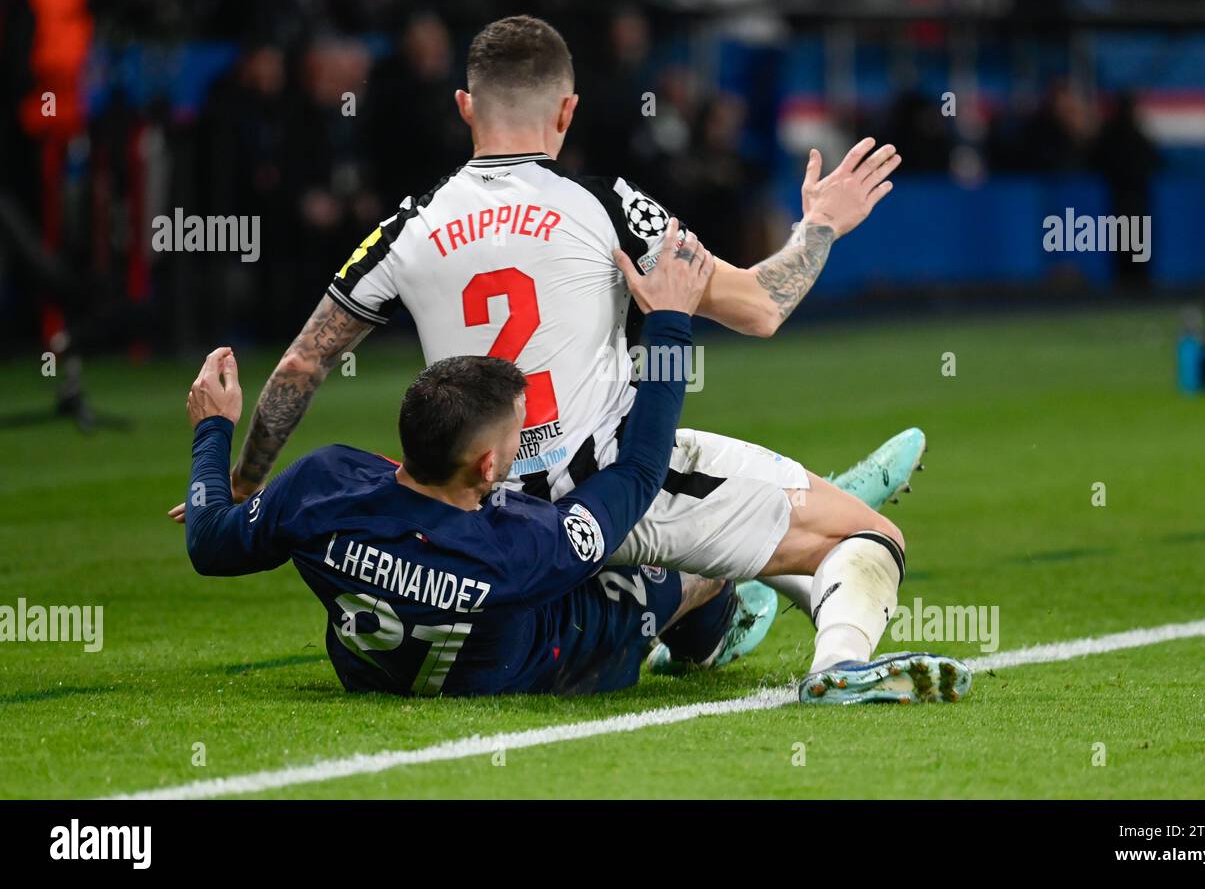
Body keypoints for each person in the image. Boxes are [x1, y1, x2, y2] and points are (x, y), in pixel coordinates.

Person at [174, 15, 967, 705]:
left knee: (688, 576)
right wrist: (820, 226)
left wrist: (245, 485)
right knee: (863, 538)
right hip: (620, 486)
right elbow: (762, 306)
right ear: (567, 111)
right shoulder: (605, 204)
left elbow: (301, 368)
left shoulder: (405, 229)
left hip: (480, 515)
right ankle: (834, 656)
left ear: (464, 108)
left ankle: (738, 581)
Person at [183, 228, 772, 696]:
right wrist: (670, 322)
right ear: (489, 467)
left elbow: (210, 543)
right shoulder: (526, 542)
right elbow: (641, 470)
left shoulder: (321, 484)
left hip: (381, 672)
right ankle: (712, 632)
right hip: (549, 659)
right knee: (687, 566)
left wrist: (214, 429)